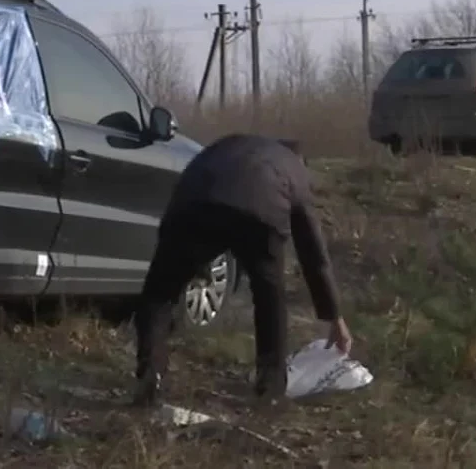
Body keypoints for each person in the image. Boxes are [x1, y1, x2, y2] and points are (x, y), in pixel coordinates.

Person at [131, 134, 352, 407]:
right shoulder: (294, 169)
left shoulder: (233, 145)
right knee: (269, 296)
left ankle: (149, 380)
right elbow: (313, 251)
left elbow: (182, 190)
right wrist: (335, 317)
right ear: (300, 160)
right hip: (259, 216)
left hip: (195, 204)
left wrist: (180, 259)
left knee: (159, 295)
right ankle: (270, 390)